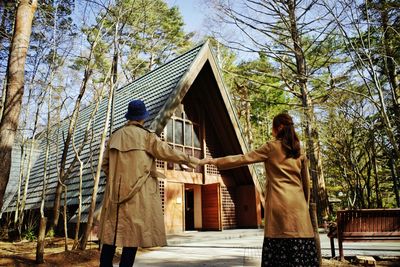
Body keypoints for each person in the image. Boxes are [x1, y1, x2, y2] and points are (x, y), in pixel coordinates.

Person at [200, 113, 319, 267]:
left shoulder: (271, 147)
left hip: (279, 209)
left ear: (279, 128)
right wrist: (305, 206)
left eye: (273, 128)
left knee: (278, 258)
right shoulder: (299, 151)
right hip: (299, 211)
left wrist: (214, 161)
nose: (272, 131)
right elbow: (305, 184)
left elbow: (242, 159)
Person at [98, 99, 201, 267]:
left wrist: (117, 178)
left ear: (129, 117)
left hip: (115, 195)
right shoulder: (147, 137)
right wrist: (192, 160)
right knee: (131, 238)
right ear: (142, 118)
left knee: (111, 236)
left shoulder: (115, 136)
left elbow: (105, 165)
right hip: (137, 195)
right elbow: (168, 152)